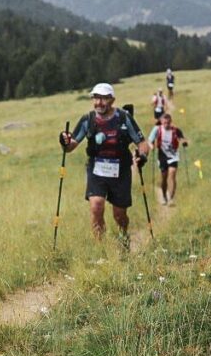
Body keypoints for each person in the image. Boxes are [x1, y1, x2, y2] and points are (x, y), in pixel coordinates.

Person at [59, 83, 149, 251]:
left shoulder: (124, 118)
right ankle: (101, 249)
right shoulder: (88, 120)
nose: (99, 102)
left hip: (121, 171)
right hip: (97, 170)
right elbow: (70, 147)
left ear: (112, 100)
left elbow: (143, 143)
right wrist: (63, 141)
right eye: (96, 98)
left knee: (119, 215)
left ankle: (124, 238)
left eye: (104, 98)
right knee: (96, 206)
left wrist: (142, 155)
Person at [147, 113, 188, 206]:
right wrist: (151, 146)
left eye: (168, 123)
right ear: (161, 122)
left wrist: (184, 142)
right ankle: (164, 196)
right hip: (162, 156)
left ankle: (171, 199)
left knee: (172, 174)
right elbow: (149, 140)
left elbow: (182, 138)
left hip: (173, 156)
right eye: (164, 123)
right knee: (164, 177)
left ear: (171, 122)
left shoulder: (176, 130)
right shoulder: (157, 129)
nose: (166, 124)